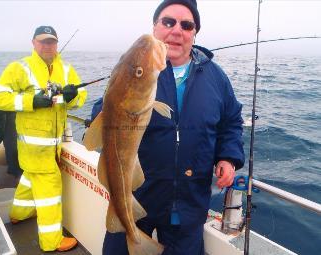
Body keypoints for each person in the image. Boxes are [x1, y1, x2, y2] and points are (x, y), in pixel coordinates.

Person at [90, 1, 245, 254]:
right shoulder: (137, 69)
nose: (176, 30)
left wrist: (228, 156)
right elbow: (103, 109)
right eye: (168, 21)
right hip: (139, 191)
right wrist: (118, 114)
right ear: (155, 27)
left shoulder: (216, 76)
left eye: (186, 25)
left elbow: (231, 121)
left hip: (189, 201)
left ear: (194, 33)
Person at [0, 25, 87, 252]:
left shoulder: (66, 69)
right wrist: (31, 101)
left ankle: (18, 214)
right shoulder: (19, 68)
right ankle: (51, 241)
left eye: (52, 41)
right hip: (35, 148)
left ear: (56, 43)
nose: (48, 46)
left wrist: (72, 96)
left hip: (53, 146)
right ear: (33, 43)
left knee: (29, 178)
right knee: (50, 190)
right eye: (43, 41)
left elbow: (80, 97)